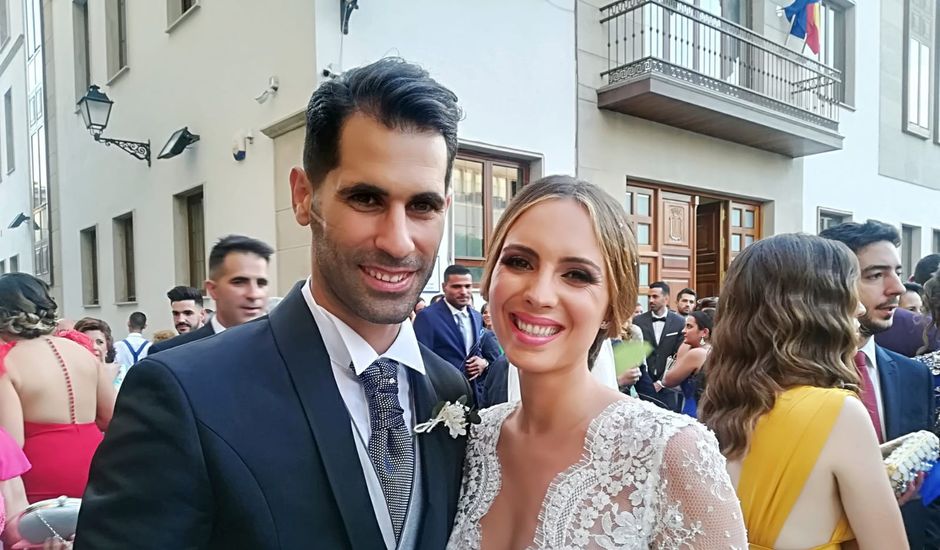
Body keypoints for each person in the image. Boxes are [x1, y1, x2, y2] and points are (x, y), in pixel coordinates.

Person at [76, 57, 470, 549]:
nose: (399, 241)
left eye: (423, 206)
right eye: (366, 199)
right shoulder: (184, 393)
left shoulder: (449, 390)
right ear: (304, 197)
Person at [447, 176, 746, 548]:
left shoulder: (669, 451)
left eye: (576, 275)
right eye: (519, 262)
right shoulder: (474, 440)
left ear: (611, 307)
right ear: (490, 278)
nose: (539, 295)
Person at [700, 233, 907, 549]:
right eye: (845, 295)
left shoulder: (720, 406)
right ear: (813, 310)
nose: (860, 310)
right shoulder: (839, 413)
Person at [821, 220, 935, 548]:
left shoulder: (914, 374)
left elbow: (925, 487)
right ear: (829, 284)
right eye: (875, 275)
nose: (897, 288)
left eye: (897, 272)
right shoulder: (787, 382)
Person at [0, 274, 114, 505]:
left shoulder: (8, 361)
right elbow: (111, 417)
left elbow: (10, 445)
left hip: (40, 476)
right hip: (97, 468)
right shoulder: (82, 352)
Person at [148, 235, 272, 355]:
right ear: (213, 289)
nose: (254, 294)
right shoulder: (167, 353)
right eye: (239, 282)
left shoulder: (282, 347)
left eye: (261, 283)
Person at [413, 265, 501, 403]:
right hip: (443, 398)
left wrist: (483, 363)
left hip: (474, 397)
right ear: (444, 287)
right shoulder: (427, 317)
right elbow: (422, 361)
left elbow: (478, 351)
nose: (463, 292)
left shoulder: (477, 317)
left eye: (468, 286)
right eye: (457, 287)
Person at [633, 281, 685, 410]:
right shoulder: (638, 321)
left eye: (655, 297)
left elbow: (677, 354)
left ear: (666, 299)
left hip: (668, 387)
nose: (651, 300)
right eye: (649, 297)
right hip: (644, 385)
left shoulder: (679, 322)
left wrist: (662, 381)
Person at [661, 308, 713, 418]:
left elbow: (667, 380)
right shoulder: (713, 350)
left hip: (693, 413)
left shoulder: (696, 354)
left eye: (689, 326)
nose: (683, 331)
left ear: (704, 332)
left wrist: (682, 351)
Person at [74, 317, 126, 390]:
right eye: (88, 342)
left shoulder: (123, 373)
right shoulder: (73, 377)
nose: (95, 347)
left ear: (107, 346)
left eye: (99, 342)